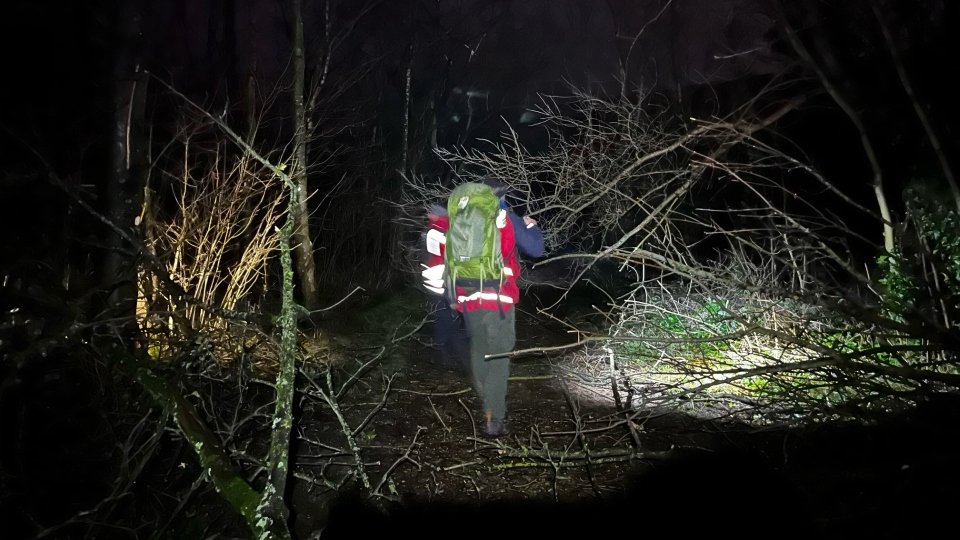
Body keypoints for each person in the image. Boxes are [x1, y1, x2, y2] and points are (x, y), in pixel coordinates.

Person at [448, 176, 544, 437]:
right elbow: (536, 248)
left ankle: (487, 403)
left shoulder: (462, 219)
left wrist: (453, 296)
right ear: (503, 196)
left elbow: (451, 260)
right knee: (499, 356)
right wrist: (532, 226)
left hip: (468, 296)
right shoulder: (507, 218)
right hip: (498, 298)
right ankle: (495, 417)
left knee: (479, 348)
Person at [421, 204, 467, 367]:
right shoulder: (443, 231)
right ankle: (449, 356)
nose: (428, 215)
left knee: (444, 320)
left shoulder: (436, 232)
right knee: (445, 320)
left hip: (440, 286)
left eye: (430, 213)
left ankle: (448, 356)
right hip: (441, 285)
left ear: (437, 216)